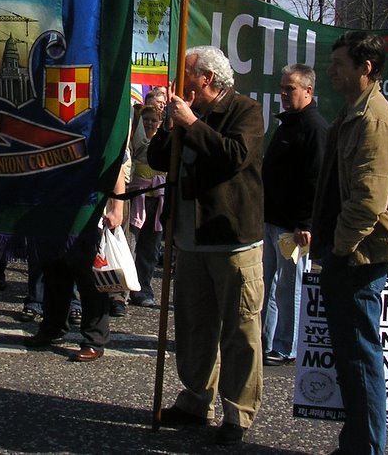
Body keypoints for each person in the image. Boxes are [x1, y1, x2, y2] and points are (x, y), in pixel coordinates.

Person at [148, 45, 265, 446]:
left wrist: (193, 123)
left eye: (186, 75)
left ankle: (238, 414)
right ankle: (197, 401)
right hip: (189, 238)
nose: (178, 83)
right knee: (195, 327)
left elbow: (235, 156)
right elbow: (159, 159)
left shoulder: (245, 111)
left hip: (231, 240)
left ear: (207, 79)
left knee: (239, 331)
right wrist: (170, 124)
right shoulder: (185, 113)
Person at [312, 31, 388, 455]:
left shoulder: (374, 120)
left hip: (359, 254)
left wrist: (340, 248)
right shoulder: (355, 111)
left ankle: (366, 448)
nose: (331, 71)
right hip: (349, 251)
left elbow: (368, 201)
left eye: (339, 64)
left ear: (366, 68)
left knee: (360, 356)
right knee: (352, 355)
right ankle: (357, 443)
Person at [261, 64, 328, 366]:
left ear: (308, 91)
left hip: (293, 226)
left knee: (290, 286)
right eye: (282, 88)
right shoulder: (288, 124)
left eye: (290, 89)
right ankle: (266, 339)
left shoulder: (314, 128)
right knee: (270, 284)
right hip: (273, 219)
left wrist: (306, 223)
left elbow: (316, 179)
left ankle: (287, 346)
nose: (284, 94)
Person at [24, 168, 125, 362]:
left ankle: (94, 340)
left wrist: (117, 208)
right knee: (54, 273)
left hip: (88, 212)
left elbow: (116, 166)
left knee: (90, 281)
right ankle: (52, 328)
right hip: (53, 209)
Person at [127, 104, 165, 307]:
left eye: (153, 120)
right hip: (136, 198)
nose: (150, 123)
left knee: (150, 249)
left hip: (157, 201)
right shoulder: (135, 140)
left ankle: (144, 289)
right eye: (146, 119)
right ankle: (125, 289)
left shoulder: (163, 142)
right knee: (131, 245)